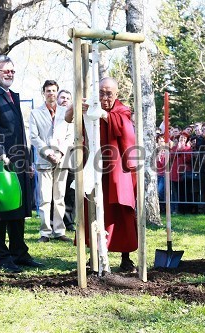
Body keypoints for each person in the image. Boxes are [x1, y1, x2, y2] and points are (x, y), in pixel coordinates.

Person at [0, 54, 42, 273]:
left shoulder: (12, 96)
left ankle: (19, 253)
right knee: (0, 209)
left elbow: (19, 133)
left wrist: (27, 162)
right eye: (6, 71)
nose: (10, 74)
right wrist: (0, 153)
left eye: (12, 71)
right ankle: (2, 258)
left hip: (17, 160)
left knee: (18, 209)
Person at [75, 77, 138, 272]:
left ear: (116, 94)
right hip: (95, 167)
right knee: (92, 208)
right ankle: (93, 255)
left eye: (109, 93)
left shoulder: (121, 111)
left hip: (116, 170)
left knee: (121, 211)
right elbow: (72, 120)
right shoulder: (90, 108)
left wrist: (104, 115)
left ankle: (125, 258)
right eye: (101, 92)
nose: (104, 97)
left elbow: (126, 129)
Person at [29, 81, 73, 243]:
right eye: (48, 91)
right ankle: (45, 232)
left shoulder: (66, 112)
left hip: (61, 159)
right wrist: (48, 153)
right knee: (45, 197)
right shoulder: (35, 113)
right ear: (44, 92)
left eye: (54, 91)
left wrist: (60, 152)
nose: (51, 94)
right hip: (44, 159)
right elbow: (34, 137)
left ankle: (60, 231)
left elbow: (70, 135)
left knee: (59, 197)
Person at [57, 89, 76, 231]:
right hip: (56, 156)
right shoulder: (54, 115)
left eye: (67, 98)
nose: (65, 100)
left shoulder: (75, 115)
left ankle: (69, 221)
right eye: (62, 97)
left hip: (73, 156)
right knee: (56, 190)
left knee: (70, 189)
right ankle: (55, 221)